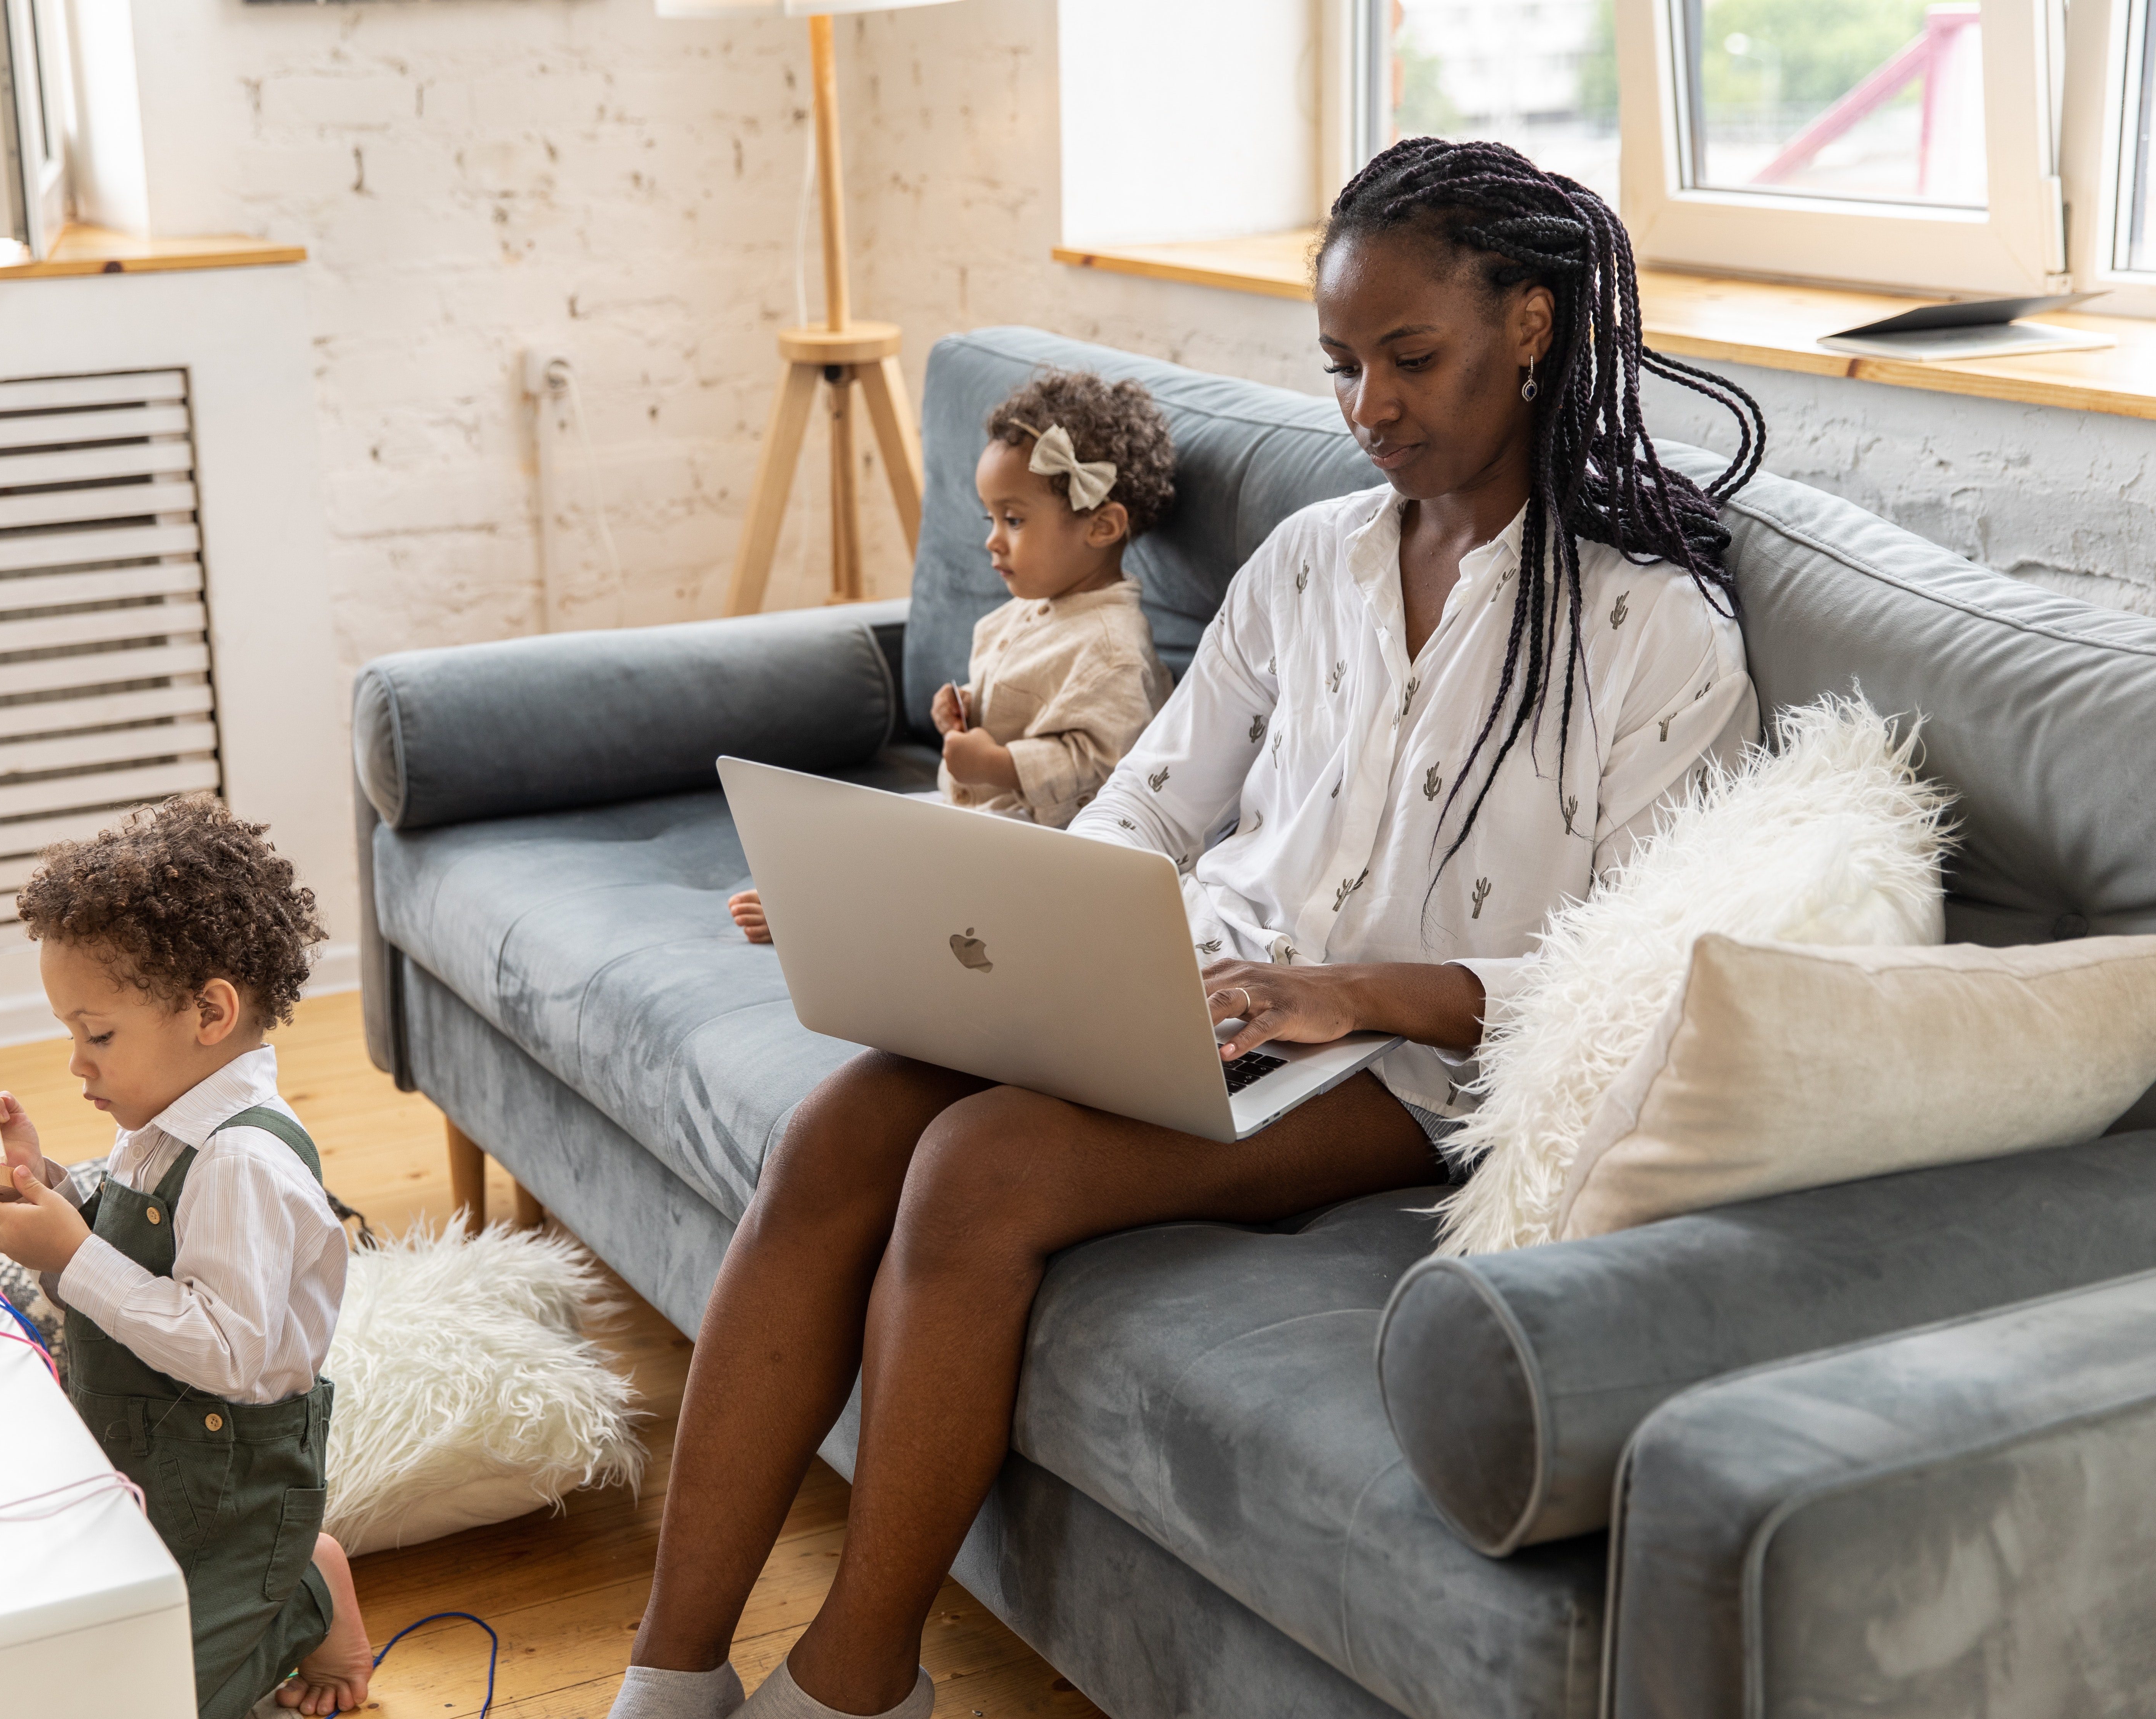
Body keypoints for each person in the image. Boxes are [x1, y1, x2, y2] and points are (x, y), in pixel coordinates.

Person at [621, 136, 1768, 1719]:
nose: (1367, 404)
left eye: (1409, 356)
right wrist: (1008, 929)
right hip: (1194, 985)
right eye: (1343, 364)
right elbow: (1152, 812)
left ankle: (852, 1686)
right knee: (834, 1132)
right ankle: (667, 1683)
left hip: (1398, 1064)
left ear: (1534, 323)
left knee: (977, 1166)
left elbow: (1639, 977)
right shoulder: (1313, 561)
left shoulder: (1654, 626)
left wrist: (1339, 989)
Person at [0, 796, 371, 1719]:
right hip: (141, 1450)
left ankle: (303, 1582)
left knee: (156, 1695)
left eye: (97, 1034)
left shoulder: (241, 1160)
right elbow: (128, 1240)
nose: (77, 1063)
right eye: (72, 1033)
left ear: (210, 1012)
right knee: (71, 1631)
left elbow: (227, 1354)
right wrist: (43, 1184)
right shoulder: (163, 1123)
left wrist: (73, 1253)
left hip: (232, 1490)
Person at [729, 370, 1175, 944]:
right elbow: (1025, 705)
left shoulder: (1112, 648)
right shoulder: (1032, 608)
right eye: (989, 518)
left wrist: (994, 765)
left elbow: (1102, 767)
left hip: (1043, 840)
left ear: (1103, 526)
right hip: (978, 811)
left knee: (927, 873)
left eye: (1013, 520)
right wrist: (968, 710)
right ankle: (823, 884)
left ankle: (830, 912)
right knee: (871, 824)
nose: (993, 539)